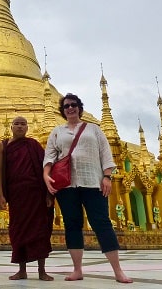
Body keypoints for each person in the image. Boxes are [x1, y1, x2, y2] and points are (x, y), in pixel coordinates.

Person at [43, 93, 132, 284]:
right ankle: (77, 269)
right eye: (66, 106)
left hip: (93, 182)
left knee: (102, 223)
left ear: (79, 107)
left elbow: (105, 153)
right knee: (72, 224)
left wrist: (107, 176)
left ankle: (118, 270)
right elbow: (49, 156)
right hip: (66, 185)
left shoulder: (94, 129)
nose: (70, 108)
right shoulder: (57, 131)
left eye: (73, 105)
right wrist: (46, 175)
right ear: (62, 110)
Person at [0, 116, 54, 281]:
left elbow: (45, 170)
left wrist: (49, 194)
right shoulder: (3, 146)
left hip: (37, 194)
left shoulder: (34, 145)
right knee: (19, 231)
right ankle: (22, 270)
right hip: (16, 195)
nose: (20, 127)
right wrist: (1, 195)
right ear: (11, 127)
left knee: (40, 231)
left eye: (23, 124)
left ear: (27, 128)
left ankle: (42, 270)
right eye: (17, 124)